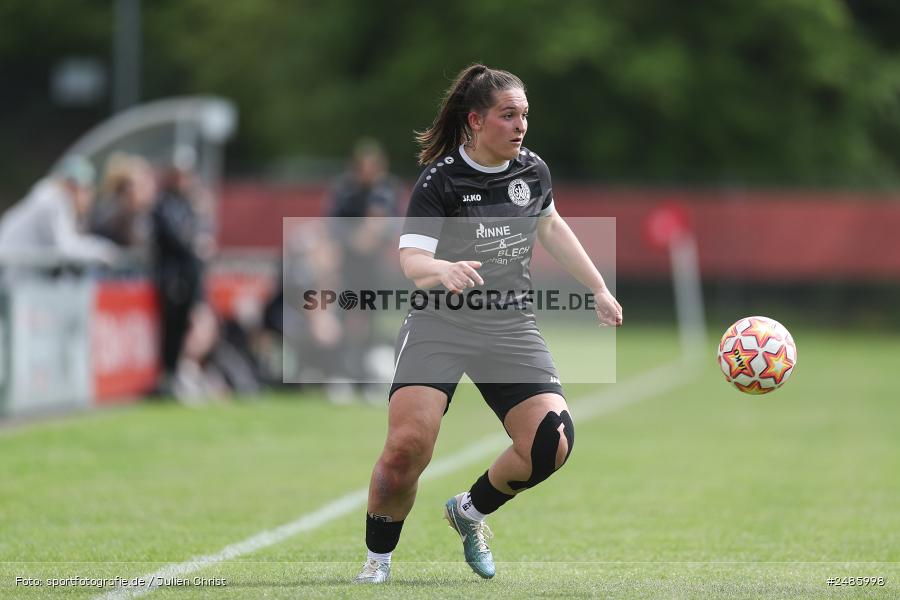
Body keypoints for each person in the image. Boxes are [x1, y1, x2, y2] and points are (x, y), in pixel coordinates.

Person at [353, 64, 623, 584]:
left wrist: (598, 288)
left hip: (509, 326)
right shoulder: (440, 180)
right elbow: (411, 261)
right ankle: (377, 562)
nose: (520, 125)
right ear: (476, 121)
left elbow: (551, 225)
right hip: (440, 324)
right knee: (407, 447)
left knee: (553, 442)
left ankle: (469, 512)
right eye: (508, 115)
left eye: (524, 114)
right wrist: (441, 269)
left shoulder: (533, 171)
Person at [0, 155, 119, 277]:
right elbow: (65, 249)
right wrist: (102, 251)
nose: (89, 197)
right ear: (72, 186)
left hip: (14, 275)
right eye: (86, 189)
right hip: (9, 276)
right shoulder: (52, 202)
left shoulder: (52, 199)